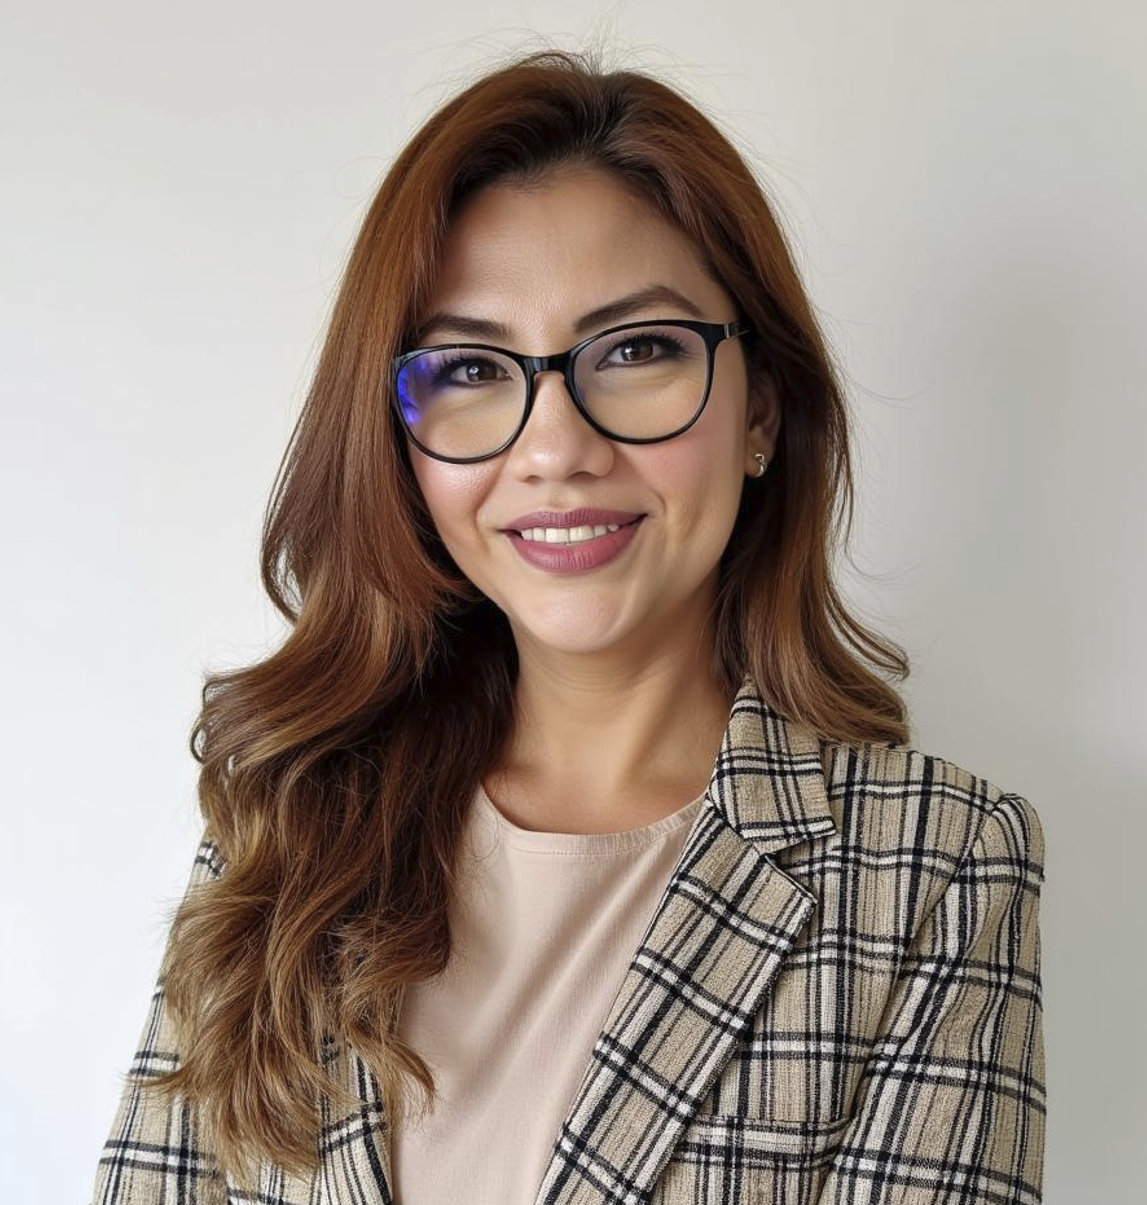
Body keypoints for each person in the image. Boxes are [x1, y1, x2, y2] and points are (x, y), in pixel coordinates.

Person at [90, 46, 1046, 1205]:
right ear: (399, 443)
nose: (553, 447)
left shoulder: (936, 863)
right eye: (472, 367)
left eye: (637, 350)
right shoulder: (288, 822)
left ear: (762, 411)